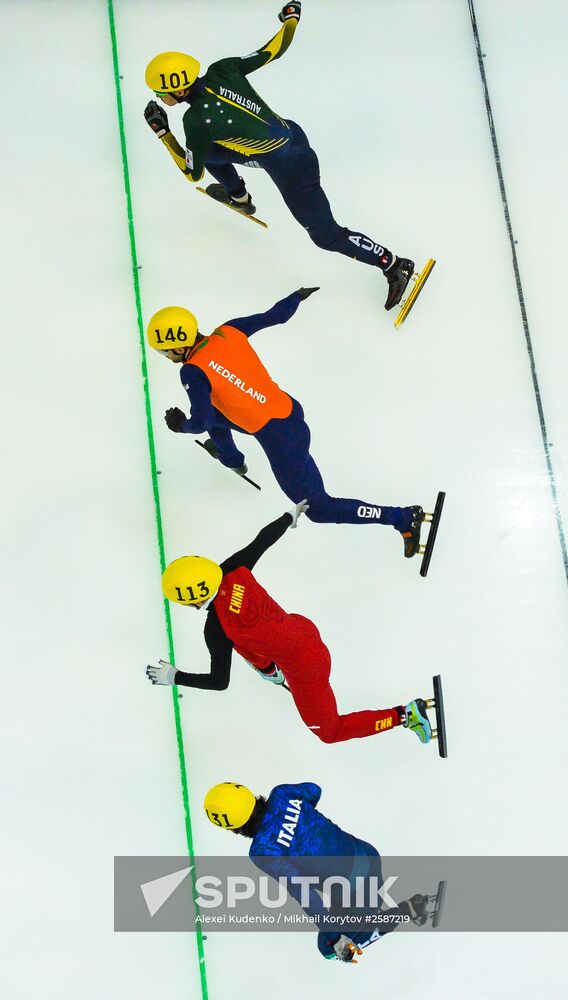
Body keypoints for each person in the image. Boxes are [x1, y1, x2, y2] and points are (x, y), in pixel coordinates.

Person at [143, 2, 416, 312]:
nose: (158, 98)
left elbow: (191, 173)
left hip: (291, 167)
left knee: (325, 236)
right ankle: (239, 197)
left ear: (177, 90)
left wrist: (164, 134)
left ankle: (392, 263)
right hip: (292, 135)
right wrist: (290, 21)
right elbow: (273, 51)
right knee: (213, 154)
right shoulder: (224, 69)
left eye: (159, 92)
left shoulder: (195, 122)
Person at [146, 288, 429, 551]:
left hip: (280, 440)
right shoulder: (228, 330)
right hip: (289, 409)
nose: (164, 356)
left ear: (178, 347)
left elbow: (201, 421)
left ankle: (403, 518)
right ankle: (232, 459)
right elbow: (276, 316)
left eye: (163, 350)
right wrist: (296, 296)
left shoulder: (192, 372)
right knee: (219, 417)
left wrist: (181, 426)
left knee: (318, 509)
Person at [146, 507, 435, 747]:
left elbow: (219, 681)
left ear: (191, 602)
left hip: (305, 668)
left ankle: (404, 715)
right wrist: (289, 516)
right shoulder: (231, 568)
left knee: (329, 732)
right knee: (248, 634)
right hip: (303, 630)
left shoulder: (215, 629)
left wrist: (175, 676)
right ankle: (269, 668)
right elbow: (262, 540)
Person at [202, 780, 430, 961]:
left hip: (356, 889)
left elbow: (305, 893)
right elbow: (314, 790)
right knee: (348, 911)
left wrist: (333, 938)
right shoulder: (282, 794)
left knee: (330, 949)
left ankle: (409, 909)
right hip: (368, 854)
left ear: (233, 829)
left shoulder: (263, 850)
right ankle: (368, 912)